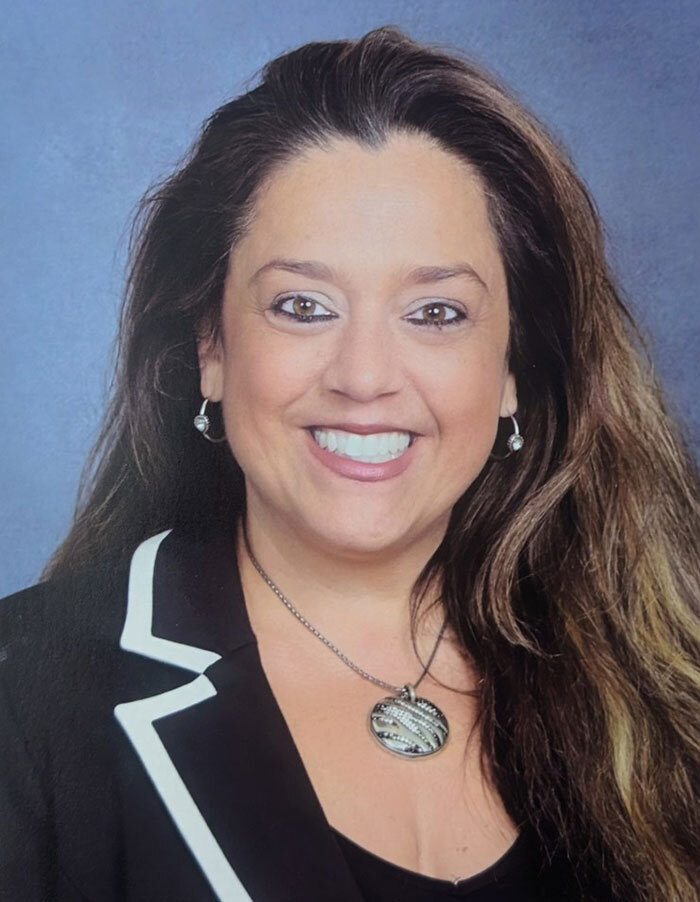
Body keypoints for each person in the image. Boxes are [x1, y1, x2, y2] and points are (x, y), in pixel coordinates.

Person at [1, 24, 698, 902]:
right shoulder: (27, 697)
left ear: (515, 369)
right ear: (212, 347)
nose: (364, 377)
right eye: (303, 305)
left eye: (437, 313)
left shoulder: (660, 678)